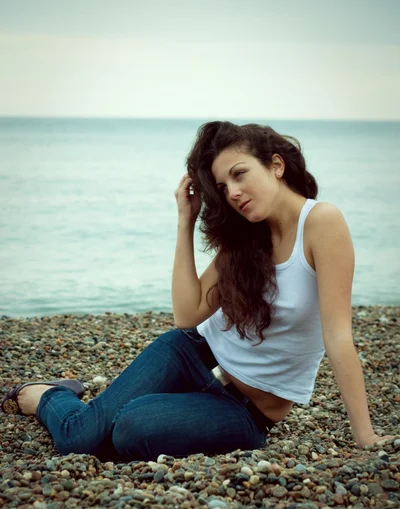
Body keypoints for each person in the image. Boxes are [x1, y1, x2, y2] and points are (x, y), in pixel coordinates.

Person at [1, 120, 395, 461]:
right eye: (222, 186)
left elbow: (338, 335)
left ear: (275, 165)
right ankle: (46, 395)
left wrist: (365, 435)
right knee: (80, 439)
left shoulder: (322, 222)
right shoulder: (246, 239)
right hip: (190, 353)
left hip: (245, 410)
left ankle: (89, 407)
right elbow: (187, 315)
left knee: (128, 430)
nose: (233, 192)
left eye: (240, 174)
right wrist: (184, 221)